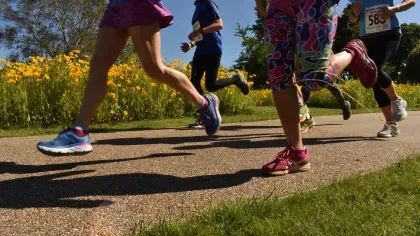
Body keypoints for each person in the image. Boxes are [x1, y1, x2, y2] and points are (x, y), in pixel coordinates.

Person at [37, 0, 222, 155]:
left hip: (138, 3)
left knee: (154, 68)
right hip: (116, 6)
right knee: (97, 68)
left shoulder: (206, 4)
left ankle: (204, 104)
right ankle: (79, 132)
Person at [255, 0, 377, 175]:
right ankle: (296, 152)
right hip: (276, 8)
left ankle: (353, 52)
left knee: (314, 78)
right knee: (278, 75)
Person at [349, 0, 415, 138]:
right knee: (373, 79)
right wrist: (354, 14)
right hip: (367, 38)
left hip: (389, 33)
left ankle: (397, 100)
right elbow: (352, 19)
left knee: (375, 68)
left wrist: (394, 9)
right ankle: (391, 124)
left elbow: (411, 1)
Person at [181, 0, 250, 128]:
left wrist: (200, 31)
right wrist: (191, 44)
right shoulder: (197, 7)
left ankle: (236, 79)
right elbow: (199, 34)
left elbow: (219, 24)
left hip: (213, 50)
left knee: (211, 85)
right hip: (200, 51)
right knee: (194, 82)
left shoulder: (208, 3)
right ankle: (205, 115)